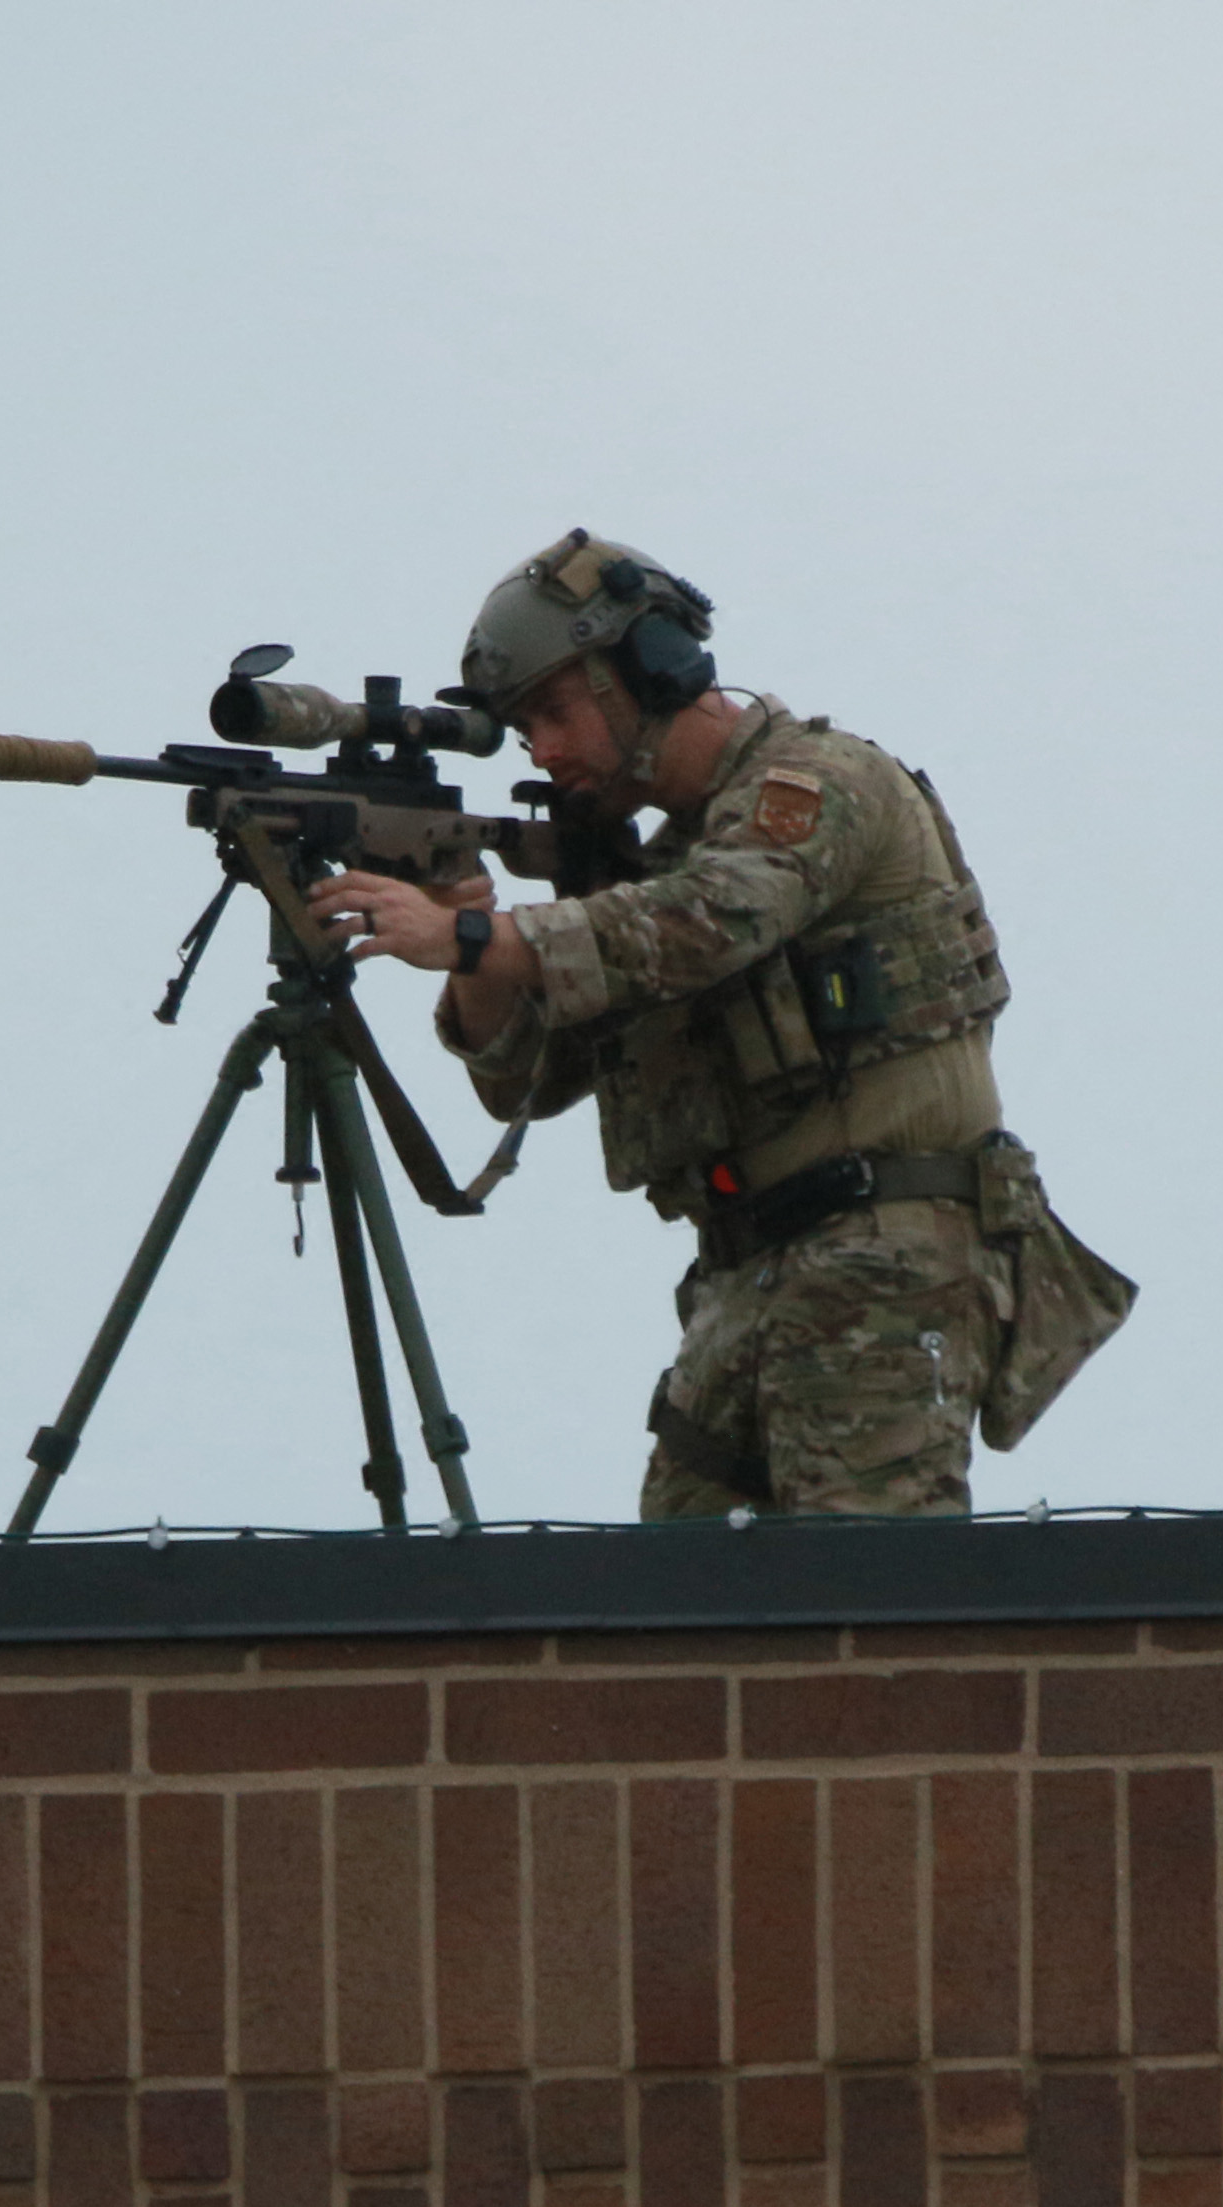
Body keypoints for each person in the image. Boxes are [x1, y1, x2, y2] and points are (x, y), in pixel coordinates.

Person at [308, 531, 1126, 1519]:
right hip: (742, 1276)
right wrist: (467, 929)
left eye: (556, 712)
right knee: (681, 1594)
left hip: (882, 1252)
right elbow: (527, 1081)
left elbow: (712, 919)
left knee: (863, 1590)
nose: (544, 751)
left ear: (650, 669)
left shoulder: (815, 782)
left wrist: (478, 934)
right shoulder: (652, 870)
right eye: (524, 732)